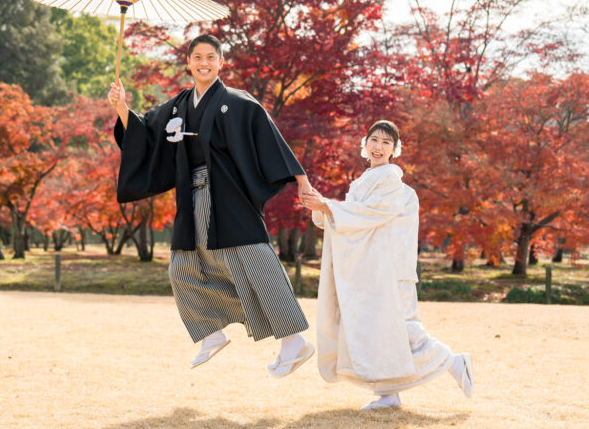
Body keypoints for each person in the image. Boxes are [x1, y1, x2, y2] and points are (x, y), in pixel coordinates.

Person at [109, 34, 314, 377]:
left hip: (230, 196)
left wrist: (301, 180)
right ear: (188, 62)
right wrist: (121, 107)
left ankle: (294, 341)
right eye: (197, 57)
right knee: (181, 267)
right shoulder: (177, 106)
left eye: (210, 57)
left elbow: (271, 141)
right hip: (192, 196)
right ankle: (211, 331)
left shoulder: (238, 102)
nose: (204, 63)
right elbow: (145, 132)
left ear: (221, 62)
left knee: (254, 262)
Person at [299, 120, 473, 409]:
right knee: (378, 331)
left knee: (403, 329)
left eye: (386, 142)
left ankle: (455, 362)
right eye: (374, 140)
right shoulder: (367, 178)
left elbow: (370, 214)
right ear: (365, 144)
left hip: (390, 270)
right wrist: (322, 208)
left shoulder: (390, 179)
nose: (379, 147)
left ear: (395, 149)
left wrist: (328, 206)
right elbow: (355, 218)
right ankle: (389, 393)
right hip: (374, 269)